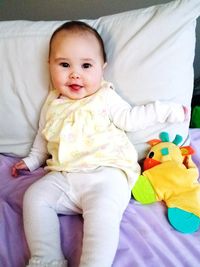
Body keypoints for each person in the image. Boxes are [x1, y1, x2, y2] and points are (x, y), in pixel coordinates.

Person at [12, 21, 187, 267]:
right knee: (34, 197)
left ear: (101, 68)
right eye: (64, 65)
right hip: (65, 176)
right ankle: (46, 258)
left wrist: (167, 111)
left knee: (102, 216)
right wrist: (31, 161)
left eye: (86, 66)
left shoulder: (104, 96)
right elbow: (44, 136)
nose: (75, 74)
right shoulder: (52, 103)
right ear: (50, 66)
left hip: (107, 174)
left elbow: (131, 118)